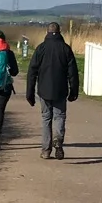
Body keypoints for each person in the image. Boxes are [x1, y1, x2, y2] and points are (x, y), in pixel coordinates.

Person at [25, 21, 79, 159]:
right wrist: (74, 90)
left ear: (47, 32)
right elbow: (72, 73)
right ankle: (58, 140)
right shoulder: (66, 49)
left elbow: (32, 71)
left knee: (46, 118)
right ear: (59, 32)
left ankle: (46, 150)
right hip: (60, 90)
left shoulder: (41, 48)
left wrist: (29, 92)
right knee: (59, 116)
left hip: (44, 90)